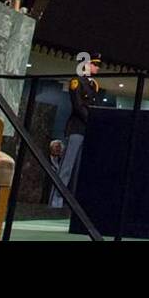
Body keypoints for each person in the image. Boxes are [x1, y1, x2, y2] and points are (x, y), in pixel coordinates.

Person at [55, 56, 101, 206]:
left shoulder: (94, 85)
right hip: (77, 127)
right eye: (94, 64)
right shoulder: (77, 81)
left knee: (79, 168)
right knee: (66, 167)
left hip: (87, 129)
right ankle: (56, 201)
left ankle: (72, 202)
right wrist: (90, 120)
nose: (97, 68)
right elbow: (78, 106)